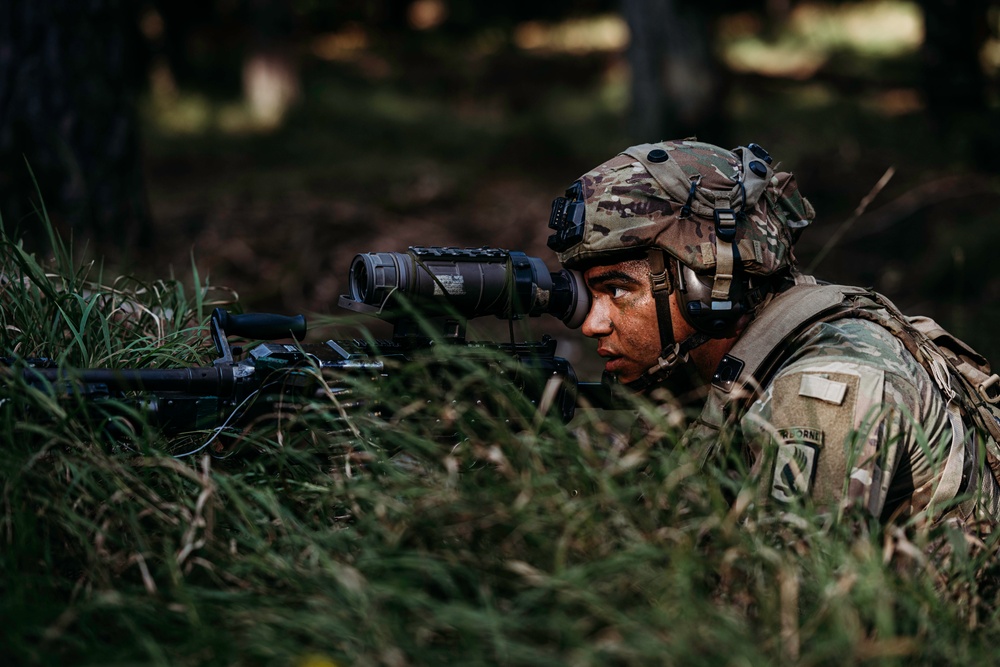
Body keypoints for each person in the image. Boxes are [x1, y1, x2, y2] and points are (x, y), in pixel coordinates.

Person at [547, 138, 1000, 531]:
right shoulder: (716, 370)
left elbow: (783, 615)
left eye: (617, 289)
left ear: (708, 282)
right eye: (589, 296)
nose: (593, 323)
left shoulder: (824, 389)